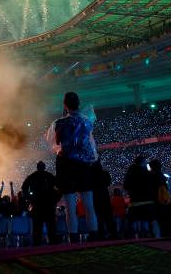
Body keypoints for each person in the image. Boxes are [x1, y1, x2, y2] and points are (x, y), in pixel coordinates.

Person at [48, 92, 98, 243]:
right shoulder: (87, 121)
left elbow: (55, 143)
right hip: (84, 166)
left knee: (70, 207)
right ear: (79, 103)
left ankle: (74, 238)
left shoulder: (59, 123)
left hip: (67, 166)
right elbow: (91, 145)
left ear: (65, 105)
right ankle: (94, 236)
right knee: (89, 205)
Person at [22, 161, 59, 246]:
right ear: (44, 167)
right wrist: (55, 199)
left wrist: (30, 199)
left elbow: (24, 189)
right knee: (51, 229)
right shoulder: (49, 176)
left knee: (37, 230)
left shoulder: (32, 177)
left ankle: (37, 248)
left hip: (37, 206)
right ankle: (53, 247)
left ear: (37, 167)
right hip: (48, 205)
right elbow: (59, 188)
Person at [123, 156, 159, 238]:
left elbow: (126, 186)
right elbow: (152, 183)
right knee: (149, 220)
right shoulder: (146, 172)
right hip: (147, 201)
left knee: (132, 221)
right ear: (143, 162)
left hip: (135, 201)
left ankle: (131, 239)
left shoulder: (130, 172)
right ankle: (151, 236)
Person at [91, 160, 116, 239]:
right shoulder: (105, 173)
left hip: (95, 198)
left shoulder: (91, 175)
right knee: (108, 217)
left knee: (98, 218)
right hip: (105, 197)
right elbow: (108, 183)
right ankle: (113, 233)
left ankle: (100, 235)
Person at [150, 159, 171, 238]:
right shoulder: (162, 176)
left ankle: (165, 239)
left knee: (161, 223)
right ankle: (170, 238)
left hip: (158, 203)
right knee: (168, 223)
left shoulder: (152, 177)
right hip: (166, 202)